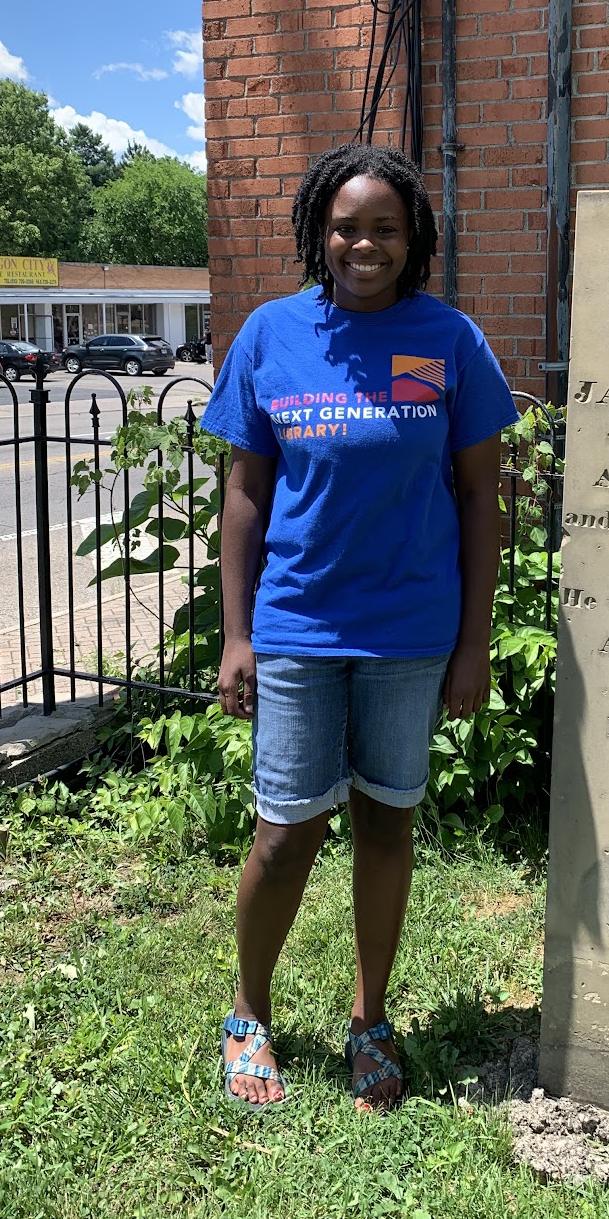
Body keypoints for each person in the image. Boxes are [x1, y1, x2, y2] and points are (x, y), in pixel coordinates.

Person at [201, 142, 519, 1112]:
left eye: (385, 227)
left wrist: (473, 643)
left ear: (413, 236)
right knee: (285, 832)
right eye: (346, 227)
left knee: (387, 825)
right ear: (319, 233)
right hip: (297, 625)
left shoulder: (450, 340)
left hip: (410, 632)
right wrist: (237, 635)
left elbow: (482, 498)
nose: (364, 244)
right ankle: (248, 1014)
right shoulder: (271, 334)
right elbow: (244, 495)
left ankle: (370, 1019)